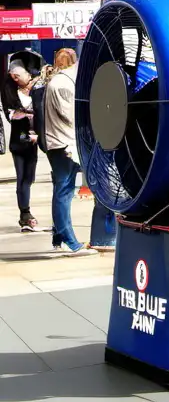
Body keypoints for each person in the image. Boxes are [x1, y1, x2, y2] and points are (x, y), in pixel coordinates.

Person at [44, 48, 96, 255]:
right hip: (63, 143)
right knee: (64, 192)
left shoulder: (57, 81)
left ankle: (59, 237)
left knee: (62, 190)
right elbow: (71, 115)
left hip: (59, 142)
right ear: (74, 62)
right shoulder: (63, 84)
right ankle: (69, 240)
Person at [1, 61, 42, 231]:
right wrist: (29, 134)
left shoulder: (36, 89)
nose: (16, 79)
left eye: (18, 76)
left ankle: (25, 214)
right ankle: (25, 214)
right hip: (19, 142)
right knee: (22, 179)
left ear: (27, 74)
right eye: (13, 77)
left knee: (29, 178)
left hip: (32, 143)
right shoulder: (10, 93)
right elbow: (14, 118)